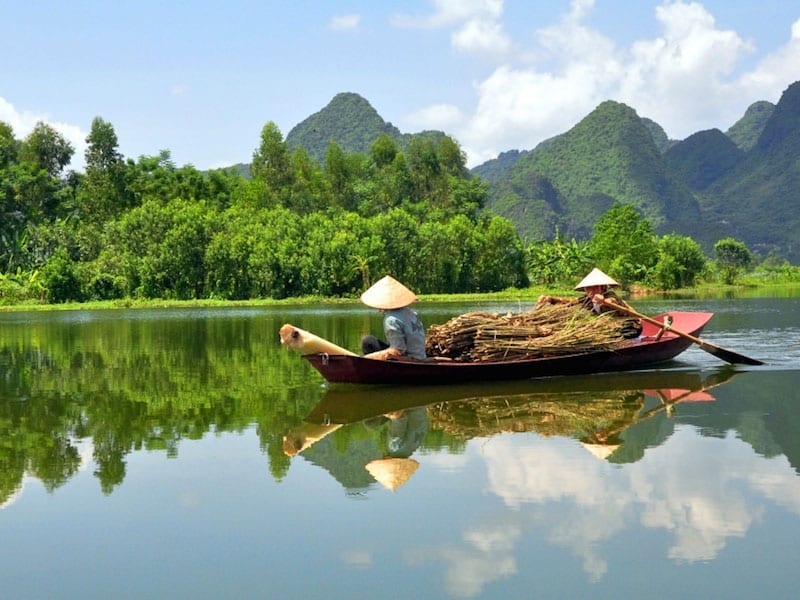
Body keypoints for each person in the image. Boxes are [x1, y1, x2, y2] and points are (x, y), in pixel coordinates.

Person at [538, 267, 642, 337]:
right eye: (588, 288)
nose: (591, 290)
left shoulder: (610, 296)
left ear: (602, 287)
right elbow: (568, 302)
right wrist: (551, 299)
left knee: (604, 330)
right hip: (610, 329)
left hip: (630, 326)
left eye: (594, 287)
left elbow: (613, 302)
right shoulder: (586, 299)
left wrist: (604, 301)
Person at [360, 275, 426, 361]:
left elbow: (398, 351)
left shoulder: (391, 319)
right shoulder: (411, 313)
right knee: (370, 341)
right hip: (420, 355)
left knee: (367, 343)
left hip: (409, 359)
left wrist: (366, 358)